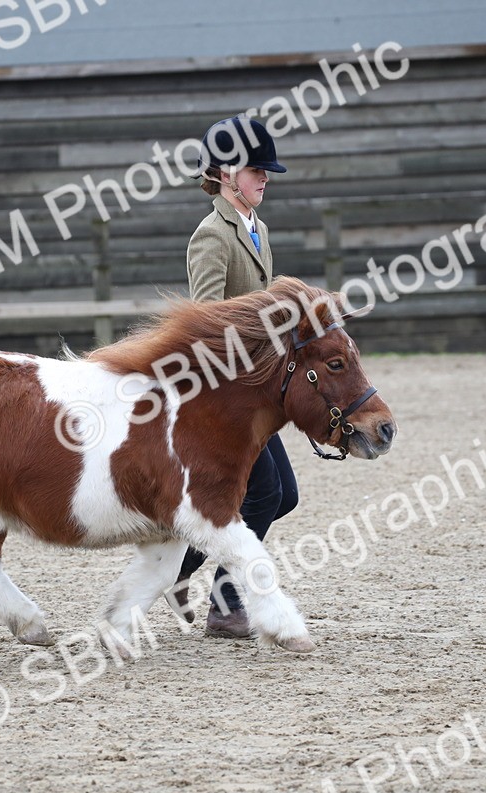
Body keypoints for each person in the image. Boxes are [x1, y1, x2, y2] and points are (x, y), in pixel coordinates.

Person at [171, 116, 299, 639]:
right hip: (224, 394)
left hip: (257, 392)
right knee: (265, 493)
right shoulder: (212, 237)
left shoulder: (256, 229)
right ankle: (226, 607)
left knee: (282, 494)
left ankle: (175, 573)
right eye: (255, 170)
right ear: (226, 174)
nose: (265, 178)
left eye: (266, 171)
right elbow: (206, 323)